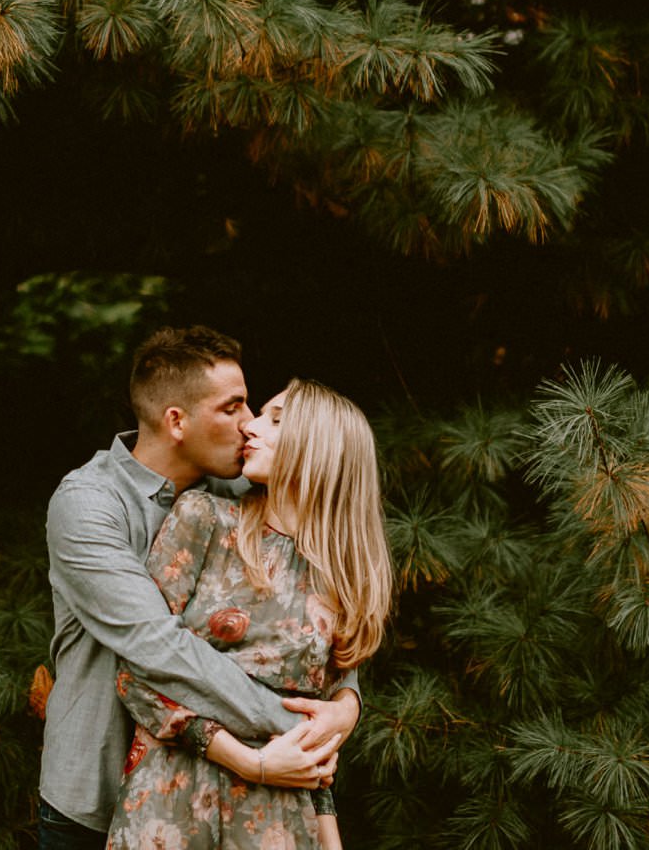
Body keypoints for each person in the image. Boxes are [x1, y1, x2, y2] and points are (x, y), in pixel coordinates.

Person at [40, 328, 363, 850]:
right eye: (232, 408)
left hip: (227, 804)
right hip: (95, 795)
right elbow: (159, 648)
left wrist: (345, 700)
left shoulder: (238, 494)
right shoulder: (88, 504)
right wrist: (291, 728)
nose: (249, 423)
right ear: (176, 421)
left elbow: (313, 611)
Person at [106, 378, 393, 850]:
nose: (250, 427)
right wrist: (245, 758)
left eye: (275, 418)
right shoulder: (204, 520)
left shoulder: (341, 580)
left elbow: (313, 747)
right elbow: (137, 672)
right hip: (171, 807)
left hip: (277, 825)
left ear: (318, 448)